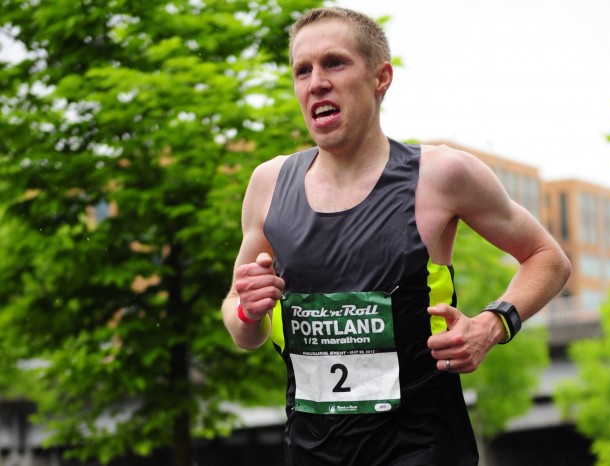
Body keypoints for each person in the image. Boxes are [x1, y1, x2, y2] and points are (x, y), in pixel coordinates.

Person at [222, 6, 571, 465]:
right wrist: (249, 309)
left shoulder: (442, 175)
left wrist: (492, 324)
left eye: (335, 63)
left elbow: (549, 257)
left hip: (420, 446)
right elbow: (240, 323)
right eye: (302, 71)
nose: (316, 83)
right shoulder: (268, 184)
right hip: (313, 450)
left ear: (381, 77)